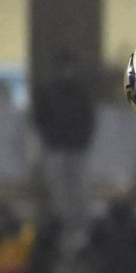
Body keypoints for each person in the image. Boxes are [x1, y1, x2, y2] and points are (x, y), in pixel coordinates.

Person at [31, 49, 96, 253]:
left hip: (76, 148)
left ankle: (80, 227)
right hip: (55, 147)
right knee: (58, 190)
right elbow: (39, 118)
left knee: (79, 190)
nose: (66, 72)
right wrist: (48, 137)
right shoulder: (47, 92)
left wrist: (84, 140)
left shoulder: (81, 92)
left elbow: (89, 119)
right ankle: (61, 227)